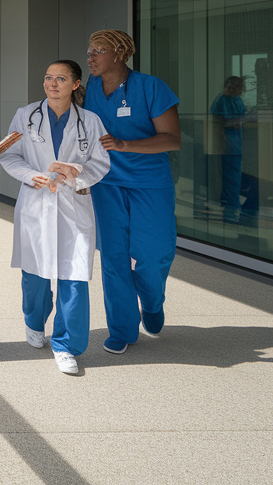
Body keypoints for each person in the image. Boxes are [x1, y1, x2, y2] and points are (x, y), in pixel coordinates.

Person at [0, 60, 110, 375]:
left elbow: (101, 162)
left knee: (74, 278)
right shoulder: (26, 115)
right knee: (35, 279)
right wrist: (31, 175)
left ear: (75, 84)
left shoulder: (90, 121)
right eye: (48, 77)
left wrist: (77, 174)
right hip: (36, 202)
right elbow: (10, 154)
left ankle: (66, 346)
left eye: (61, 79)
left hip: (74, 205)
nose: (52, 83)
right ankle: (34, 322)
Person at [84, 29, 181, 355]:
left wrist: (126, 144)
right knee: (114, 258)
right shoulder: (90, 90)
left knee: (154, 254)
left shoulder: (151, 87)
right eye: (89, 51)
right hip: (106, 183)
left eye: (99, 50)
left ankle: (152, 303)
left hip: (149, 183)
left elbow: (172, 139)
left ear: (120, 53)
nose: (91, 57)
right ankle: (122, 329)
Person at [209, 76, 259, 226]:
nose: (233, 90)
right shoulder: (223, 100)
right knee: (230, 180)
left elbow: (241, 117)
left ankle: (235, 209)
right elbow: (222, 123)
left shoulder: (237, 100)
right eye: (230, 87)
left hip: (236, 146)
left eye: (237, 87)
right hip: (228, 146)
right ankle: (230, 213)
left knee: (235, 179)